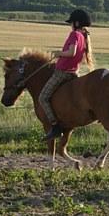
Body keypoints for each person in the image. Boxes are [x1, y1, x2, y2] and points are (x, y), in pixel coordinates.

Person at [40, 9, 95, 140]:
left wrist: (58, 53)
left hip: (63, 73)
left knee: (43, 97)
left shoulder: (74, 34)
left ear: (76, 23)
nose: (70, 25)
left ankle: (55, 126)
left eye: (71, 23)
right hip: (74, 73)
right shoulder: (83, 37)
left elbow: (72, 52)